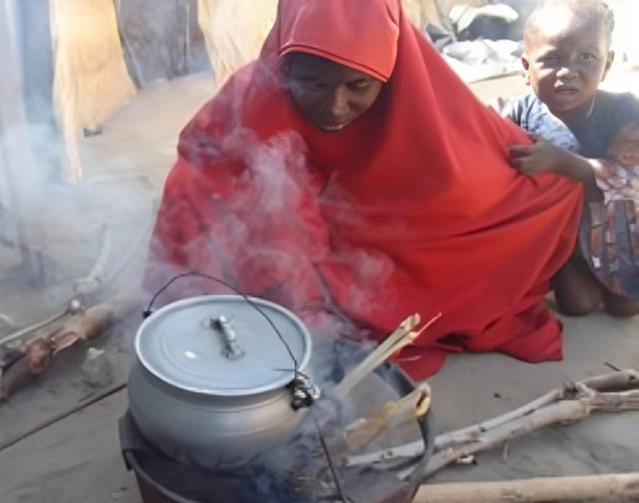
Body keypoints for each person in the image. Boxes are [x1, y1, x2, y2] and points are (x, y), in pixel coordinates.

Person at [143, 0, 583, 380]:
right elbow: (202, 176)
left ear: (390, 73)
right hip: (301, 239)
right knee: (197, 187)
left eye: (359, 86)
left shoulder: (419, 90)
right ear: (284, 62)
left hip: (374, 229)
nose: (335, 107)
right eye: (313, 84)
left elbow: (478, 174)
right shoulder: (254, 95)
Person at [507, 0, 639, 317]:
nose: (568, 71)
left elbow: (629, 178)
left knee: (626, 306)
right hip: (563, 238)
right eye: (552, 58)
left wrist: (561, 161)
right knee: (578, 306)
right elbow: (489, 148)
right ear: (526, 68)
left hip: (619, 236)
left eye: (586, 58)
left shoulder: (623, 110)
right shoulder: (521, 112)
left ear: (606, 66)